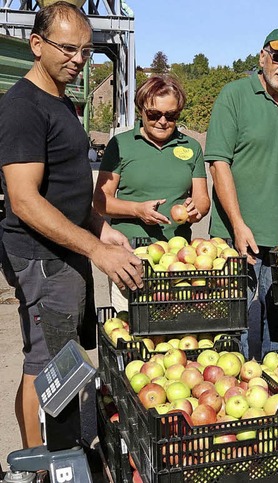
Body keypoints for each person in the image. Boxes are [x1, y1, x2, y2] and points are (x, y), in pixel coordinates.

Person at [0, 1, 143, 448]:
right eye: (67, 49)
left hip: (67, 250)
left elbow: (65, 185)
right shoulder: (23, 107)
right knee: (43, 363)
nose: (78, 60)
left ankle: (57, 449)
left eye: (86, 51)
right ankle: (36, 460)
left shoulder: (62, 99)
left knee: (63, 359)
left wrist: (100, 227)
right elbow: (24, 201)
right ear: (36, 45)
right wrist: (96, 249)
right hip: (41, 257)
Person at [205, 27, 278, 360]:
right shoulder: (234, 95)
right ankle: (231, 391)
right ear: (262, 57)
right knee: (231, 319)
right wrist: (237, 224)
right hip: (235, 233)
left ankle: (276, 394)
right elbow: (218, 163)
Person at [94, 75, 210, 311]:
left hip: (177, 258)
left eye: (171, 116)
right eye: (154, 114)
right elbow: (100, 201)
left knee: (171, 330)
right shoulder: (121, 144)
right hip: (128, 255)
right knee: (132, 330)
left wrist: (195, 210)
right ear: (141, 111)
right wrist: (137, 210)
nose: (163, 121)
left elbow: (202, 199)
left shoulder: (191, 147)